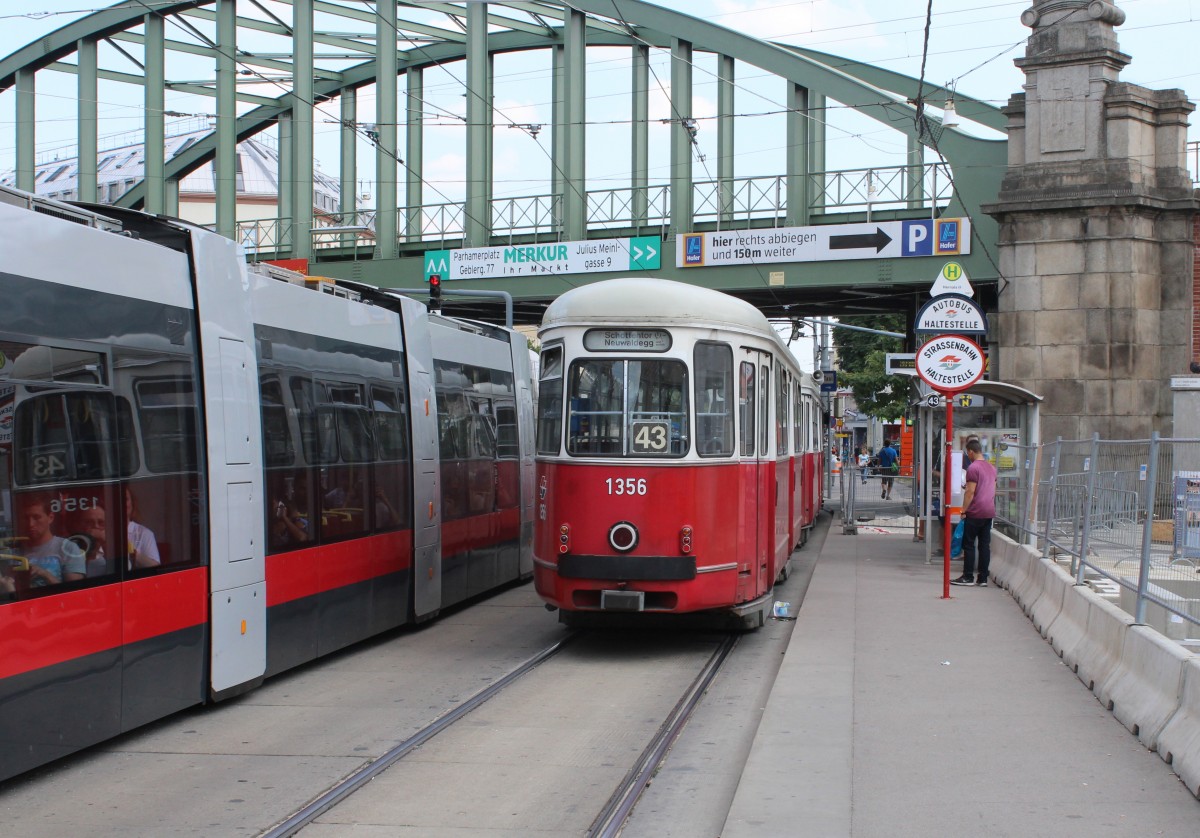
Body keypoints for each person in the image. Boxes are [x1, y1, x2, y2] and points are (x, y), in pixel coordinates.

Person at [951, 438, 997, 587]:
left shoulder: (973, 468)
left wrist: (963, 510)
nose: (967, 456)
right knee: (984, 545)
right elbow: (992, 490)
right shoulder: (992, 468)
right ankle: (983, 578)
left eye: (967, 453)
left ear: (970, 451)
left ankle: (968, 576)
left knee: (968, 544)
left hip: (975, 511)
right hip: (988, 511)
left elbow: (970, 491)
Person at [18, 492, 86, 588]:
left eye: (36, 517)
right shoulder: (15, 549)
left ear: (50, 518)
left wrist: (45, 574)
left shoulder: (68, 548)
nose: (30, 524)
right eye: (26, 518)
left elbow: (74, 592)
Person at [125, 487, 161, 569]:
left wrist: (134, 554)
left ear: (132, 504)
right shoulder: (104, 531)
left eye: (125, 499)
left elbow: (155, 567)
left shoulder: (145, 534)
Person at [73, 504, 113, 578]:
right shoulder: (71, 547)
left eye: (101, 522)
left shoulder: (112, 547)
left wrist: (104, 542)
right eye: (89, 522)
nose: (96, 526)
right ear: (78, 525)